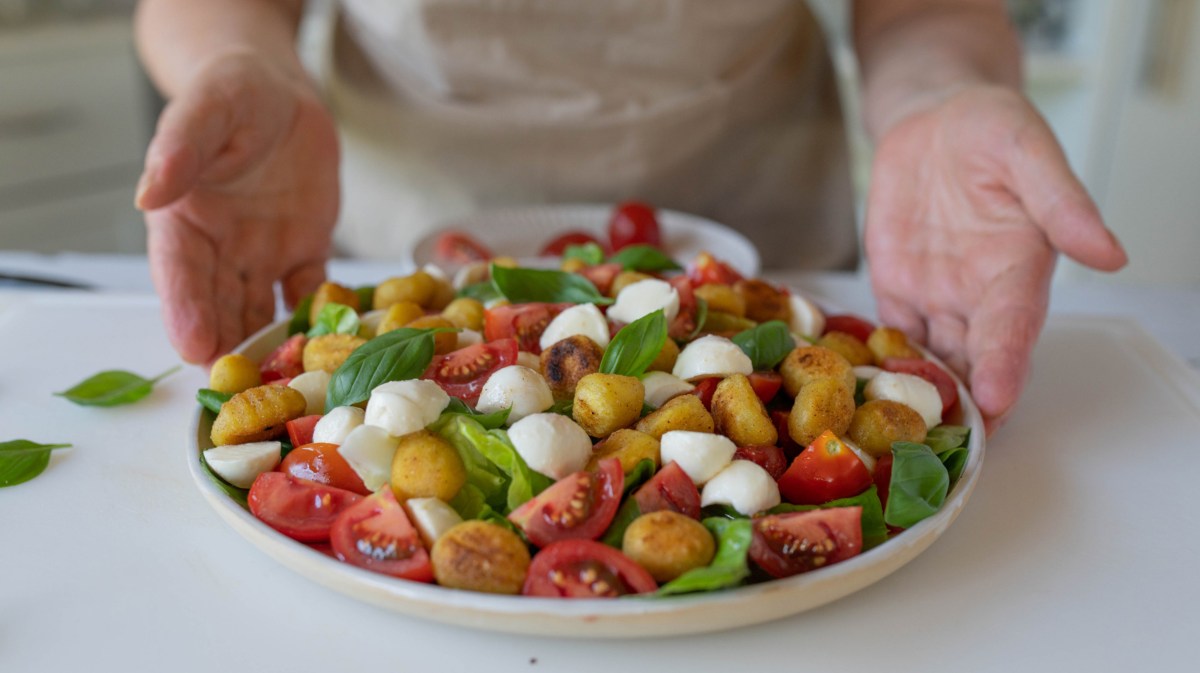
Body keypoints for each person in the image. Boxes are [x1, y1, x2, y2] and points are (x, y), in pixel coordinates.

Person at [132, 0, 1127, 434]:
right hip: (401, 219)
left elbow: (925, 6)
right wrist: (241, 66)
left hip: (758, 223)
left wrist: (935, 94)